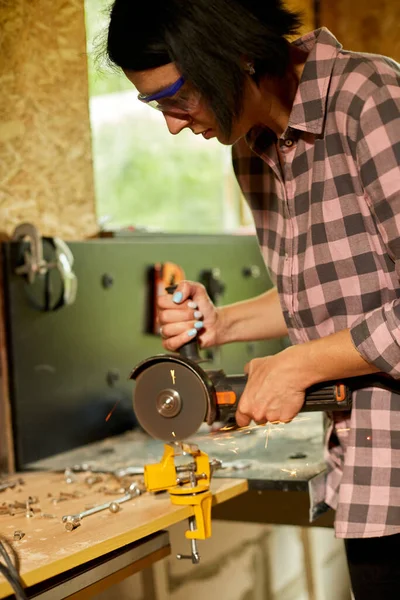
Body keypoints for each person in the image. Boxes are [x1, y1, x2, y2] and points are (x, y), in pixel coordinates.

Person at [105, 1, 400, 597]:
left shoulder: (370, 101)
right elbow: (340, 291)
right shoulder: (254, 146)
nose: (172, 123)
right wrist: (222, 320)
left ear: (233, 54)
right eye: (154, 105)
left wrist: (299, 364)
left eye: (176, 97)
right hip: (371, 475)